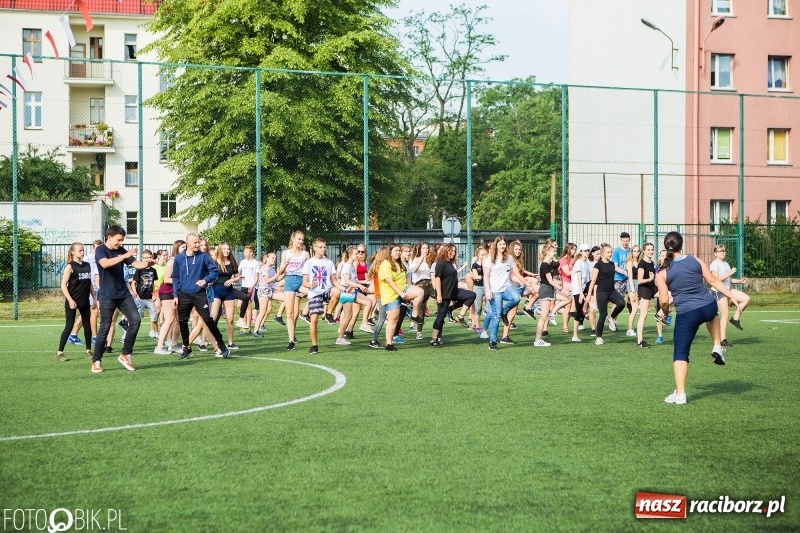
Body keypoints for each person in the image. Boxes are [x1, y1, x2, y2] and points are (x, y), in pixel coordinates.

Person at [655, 231, 744, 405]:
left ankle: (680, 394)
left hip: (688, 314)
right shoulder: (695, 260)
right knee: (713, 316)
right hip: (708, 306)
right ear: (682, 245)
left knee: (680, 353)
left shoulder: (662, 272)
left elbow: (664, 301)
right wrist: (731, 296)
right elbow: (713, 281)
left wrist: (664, 314)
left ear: (666, 248)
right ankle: (717, 345)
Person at [90, 225, 154, 373]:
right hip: (107, 295)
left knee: (136, 320)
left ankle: (125, 354)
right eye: (118, 240)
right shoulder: (101, 249)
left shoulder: (121, 250)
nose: (120, 243)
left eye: (122, 240)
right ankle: (96, 360)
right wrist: (124, 256)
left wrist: (148, 264)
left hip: (123, 294)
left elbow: (136, 264)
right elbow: (104, 264)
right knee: (105, 327)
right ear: (109, 237)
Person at [172, 233, 229, 360]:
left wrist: (205, 280)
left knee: (208, 320)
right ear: (188, 243)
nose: (198, 245)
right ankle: (186, 348)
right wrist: (175, 295)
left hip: (199, 294)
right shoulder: (179, 259)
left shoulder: (203, 257)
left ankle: (221, 345)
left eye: (198, 242)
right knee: (182, 321)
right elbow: (175, 278)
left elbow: (214, 271)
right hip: (183, 294)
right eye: (195, 243)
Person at [302, 238, 349, 354]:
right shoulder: (309, 263)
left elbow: (334, 280)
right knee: (314, 320)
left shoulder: (329, 262)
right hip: (314, 292)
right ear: (314, 248)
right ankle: (314, 345)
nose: (323, 249)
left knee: (337, 291)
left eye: (324, 247)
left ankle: (328, 314)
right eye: (321, 247)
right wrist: (310, 285)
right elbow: (305, 282)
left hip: (326, 289)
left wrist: (345, 288)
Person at [482, 236, 524, 351]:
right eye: (500, 244)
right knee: (496, 316)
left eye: (504, 244)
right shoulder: (490, 258)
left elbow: (510, 275)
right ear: (496, 245)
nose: (502, 246)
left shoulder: (509, 258)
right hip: (494, 290)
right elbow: (486, 276)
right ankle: (493, 341)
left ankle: (504, 313)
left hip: (506, 287)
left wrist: (518, 280)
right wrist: (488, 291)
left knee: (516, 298)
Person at [430, 244, 476, 346]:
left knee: (471, 295)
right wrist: (439, 295)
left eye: (455, 251)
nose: (453, 253)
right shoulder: (440, 263)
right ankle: (434, 339)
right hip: (444, 293)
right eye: (451, 251)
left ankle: (459, 316)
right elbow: (437, 279)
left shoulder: (451, 263)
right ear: (445, 251)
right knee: (440, 317)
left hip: (454, 291)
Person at [57, 242, 96, 362]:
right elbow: (63, 285)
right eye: (80, 250)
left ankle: (89, 350)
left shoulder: (87, 265)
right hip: (73, 301)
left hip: (84, 300)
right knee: (69, 326)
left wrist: (94, 298)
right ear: (73, 252)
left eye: (83, 250)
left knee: (87, 325)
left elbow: (89, 284)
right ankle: (60, 352)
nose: (82, 252)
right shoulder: (70, 266)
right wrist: (70, 300)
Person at [710, 244, 751, 347]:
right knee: (725, 315)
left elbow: (729, 280)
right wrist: (730, 272)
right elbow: (716, 280)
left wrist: (740, 281)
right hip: (719, 291)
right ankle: (722, 339)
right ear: (715, 253)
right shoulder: (714, 264)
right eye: (720, 251)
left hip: (728, 289)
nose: (723, 252)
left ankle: (735, 319)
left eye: (724, 251)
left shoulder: (726, 263)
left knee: (746, 298)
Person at [584, 243, 626, 346]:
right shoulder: (598, 265)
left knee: (621, 303)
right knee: (602, 315)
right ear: (602, 253)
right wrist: (589, 294)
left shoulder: (612, 264)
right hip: (601, 292)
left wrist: (627, 272)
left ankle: (611, 319)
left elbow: (618, 270)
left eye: (611, 252)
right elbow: (593, 281)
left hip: (611, 290)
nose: (610, 254)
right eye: (608, 252)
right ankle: (598, 337)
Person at [277, 231, 310, 351]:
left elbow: (309, 270)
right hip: (290, 280)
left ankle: (306, 313)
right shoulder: (286, 253)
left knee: (316, 293)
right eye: (299, 239)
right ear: (293, 239)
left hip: (301, 280)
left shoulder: (306, 254)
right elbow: (281, 271)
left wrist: (307, 286)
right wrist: (284, 266)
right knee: (290, 313)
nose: (301, 241)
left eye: (302, 239)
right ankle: (291, 341)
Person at [210, 242, 241, 350]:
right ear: (220, 250)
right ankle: (212, 340)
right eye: (224, 249)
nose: (226, 251)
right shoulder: (214, 262)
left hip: (228, 293)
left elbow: (238, 277)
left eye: (228, 249)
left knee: (230, 318)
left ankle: (230, 342)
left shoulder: (232, 262)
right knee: (213, 317)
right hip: (216, 291)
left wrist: (232, 279)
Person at [533, 242, 563, 347]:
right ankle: (537, 339)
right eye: (553, 251)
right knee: (543, 316)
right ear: (547, 251)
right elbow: (549, 280)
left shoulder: (548, 264)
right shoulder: (545, 265)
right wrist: (558, 286)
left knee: (545, 316)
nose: (555, 253)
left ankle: (538, 339)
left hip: (548, 289)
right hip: (545, 290)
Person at [131, 249, 159, 341]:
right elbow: (133, 283)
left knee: (154, 317)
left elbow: (153, 283)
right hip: (140, 298)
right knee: (136, 318)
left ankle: (156, 333)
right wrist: (135, 294)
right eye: (146, 258)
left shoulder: (153, 270)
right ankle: (127, 335)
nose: (148, 259)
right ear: (142, 259)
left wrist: (154, 294)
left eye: (150, 257)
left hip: (149, 298)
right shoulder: (139, 270)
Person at [635, 243, 657, 348]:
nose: (650, 252)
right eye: (648, 250)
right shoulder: (642, 264)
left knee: (668, 295)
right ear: (644, 251)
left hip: (652, 287)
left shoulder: (652, 262)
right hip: (644, 289)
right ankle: (640, 341)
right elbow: (639, 280)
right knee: (643, 315)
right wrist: (650, 279)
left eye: (652, 250)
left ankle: (661, 314)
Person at [569, 244, 592, 342]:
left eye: (588, 250)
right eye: (585, 250)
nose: (587, 252)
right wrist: (582, 293)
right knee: (578, 311)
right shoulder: (579, 263)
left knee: (580, 311)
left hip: (583, 288)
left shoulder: (586, 262)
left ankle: (586, 312)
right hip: (578, 290)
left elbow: (588, 278)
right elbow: (578, 278)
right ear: (581, 252)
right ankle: (574, 335)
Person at [237, 245, 260, 334]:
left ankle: (247, 327)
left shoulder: (255, 263)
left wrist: (252, 286)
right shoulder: (242, 262)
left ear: (251, 253)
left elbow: (257, 277)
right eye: (244, 252)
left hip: (251, 286)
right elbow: (237, 273)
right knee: (239, 305)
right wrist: (236, 278)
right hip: (243, 286)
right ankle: (244, 322)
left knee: (248, 306)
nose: (245, 253)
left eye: (247, 252)